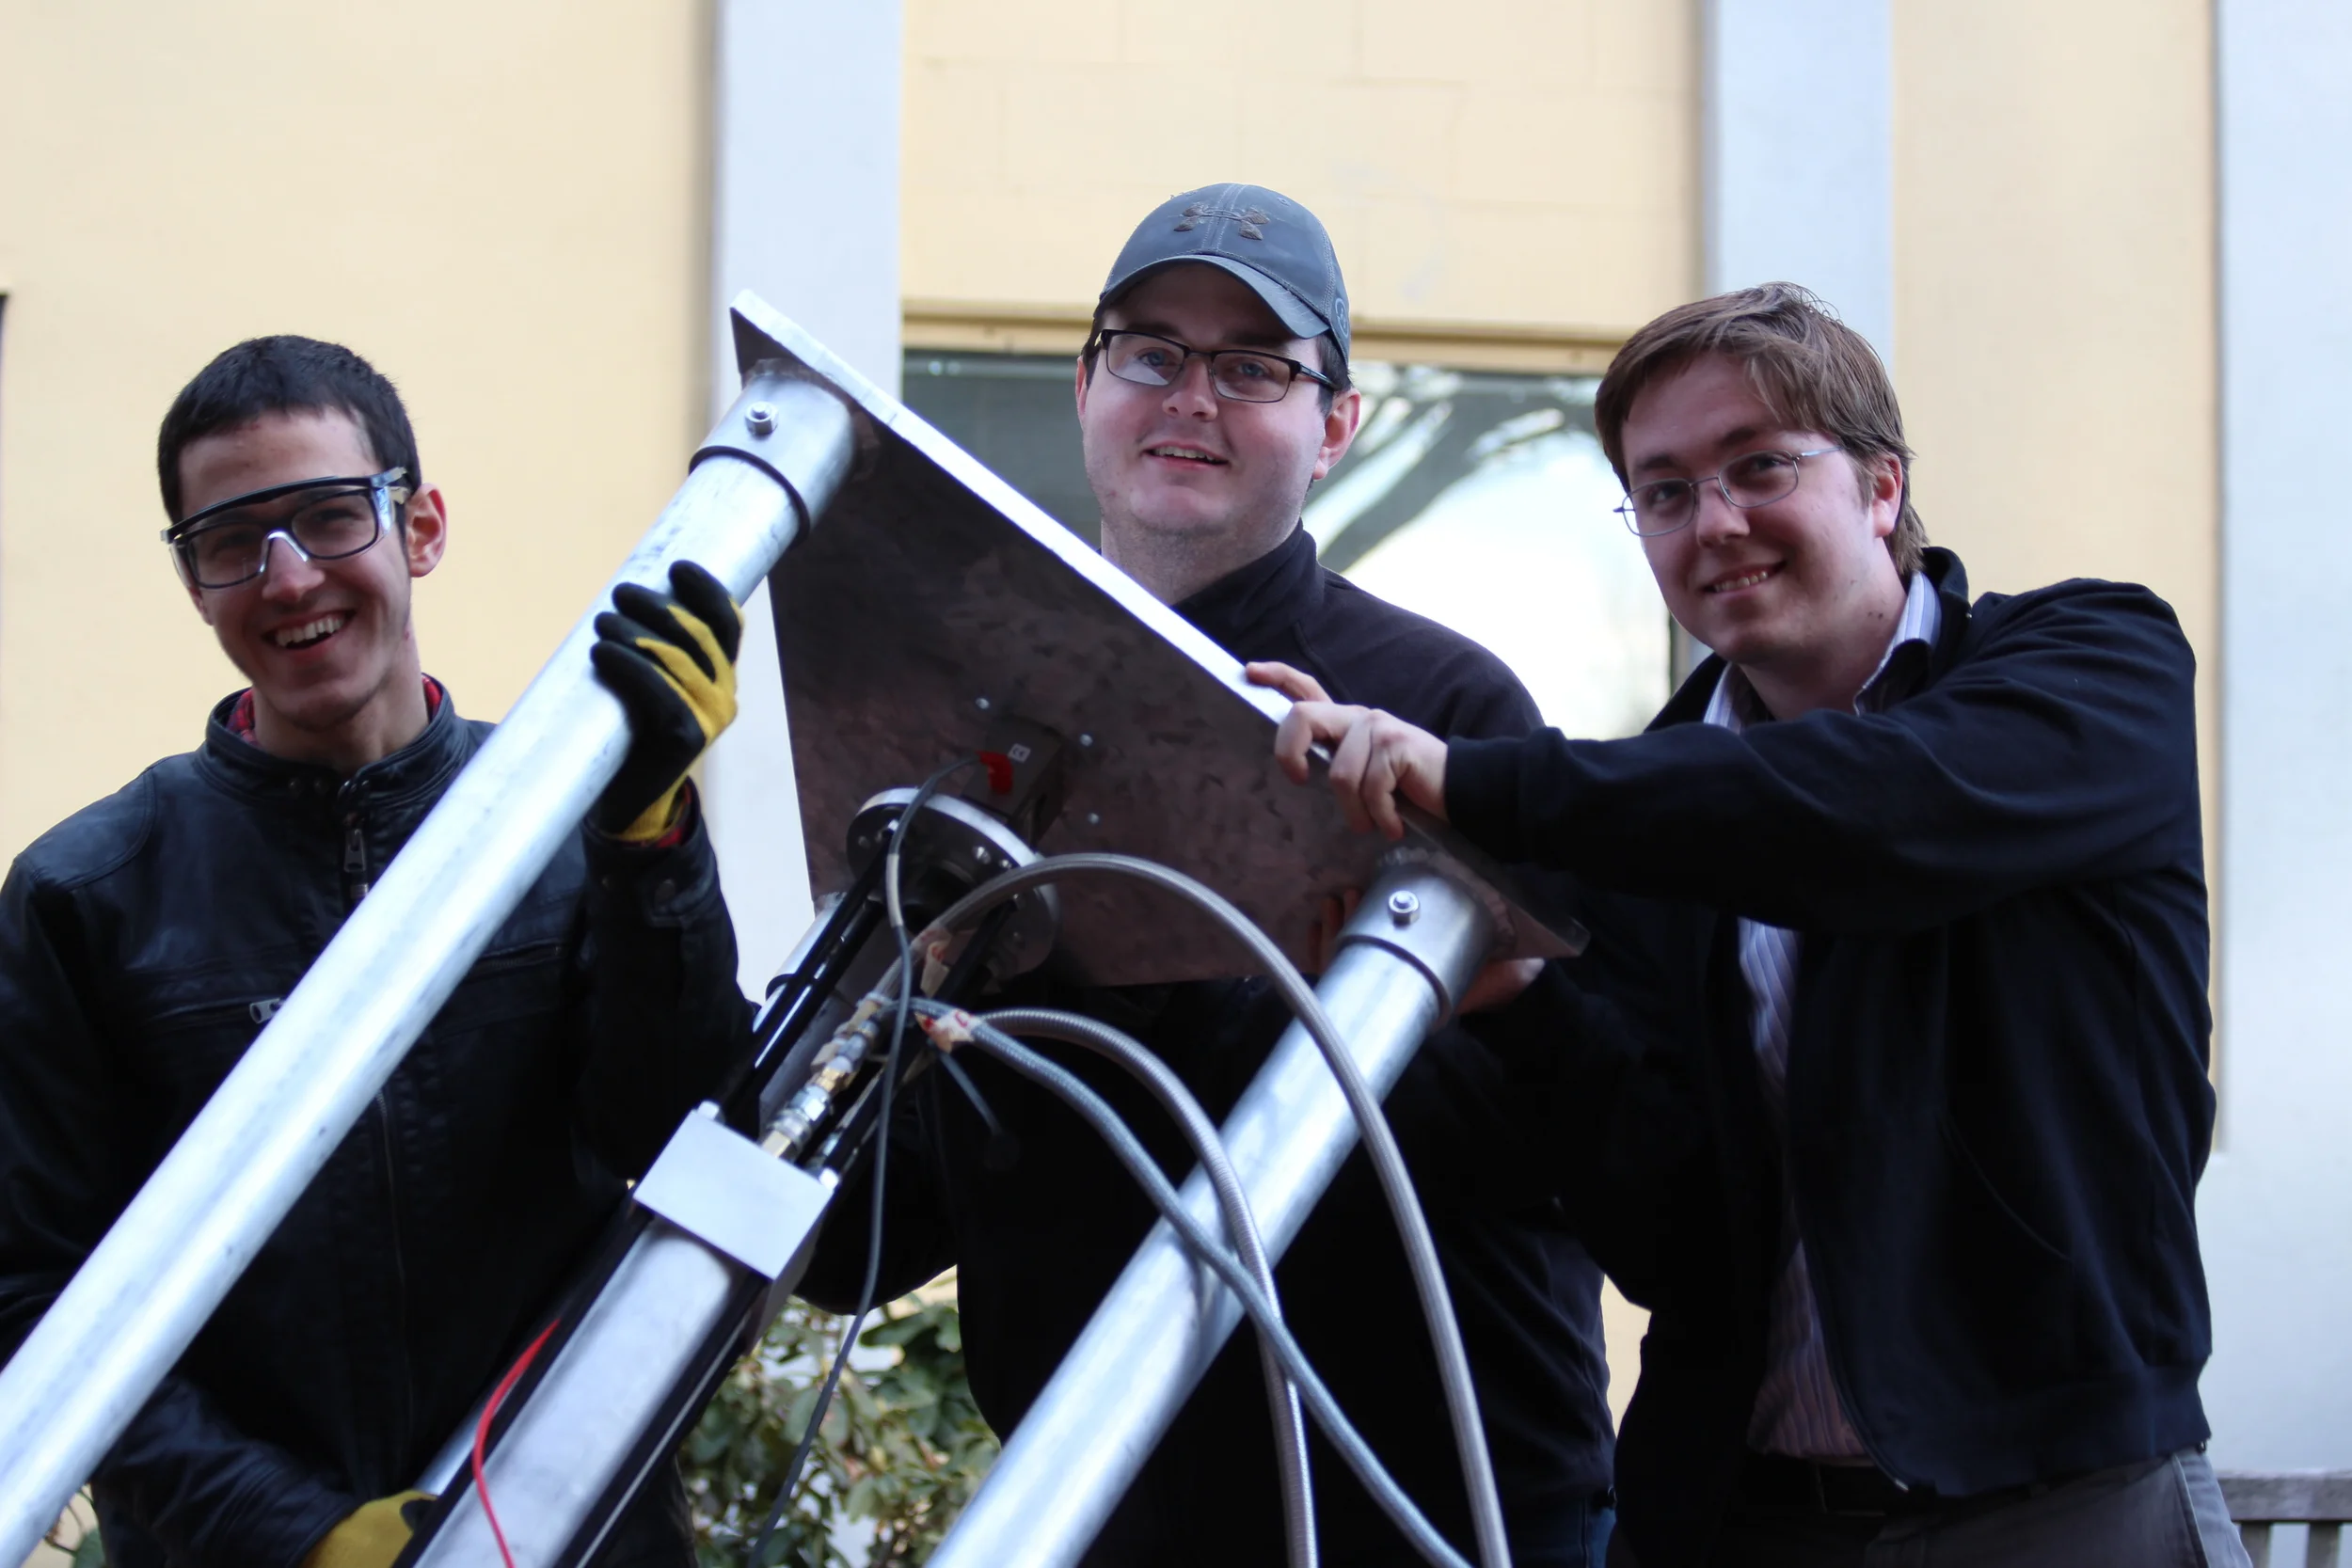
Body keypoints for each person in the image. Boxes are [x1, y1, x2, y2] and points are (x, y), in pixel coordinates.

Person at [1273, 283, 2245, 1568]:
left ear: (1883, 487)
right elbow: (1672, 1234)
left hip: (2064, 1502)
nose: (1713, 522)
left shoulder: (2091, 664)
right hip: (1735, 1514)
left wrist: (1479, 778)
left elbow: (1872, 812)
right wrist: (1521, 996)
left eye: (1759, 466)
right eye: (1663, 491)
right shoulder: (1652, 817)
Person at [798, 184, 1619, 1565]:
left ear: (1336, 423)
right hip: (1098, 1505)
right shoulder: (983, 724)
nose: (1193, 397)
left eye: (1254, 368)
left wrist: (1290, 861)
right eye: (1153, 352)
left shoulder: (1437, 709)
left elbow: (1562, 1143)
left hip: (1430, 1513)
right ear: (1086, 384)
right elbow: (872, 1229)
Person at [0, 336, 752, 1568]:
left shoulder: (571, 822)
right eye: (234, 539)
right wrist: (296, 1535)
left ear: (423, 527)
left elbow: (681, 1143)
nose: (289, 577)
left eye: (330, 517)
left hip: (557, 1539)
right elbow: (31, 1302)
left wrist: (652, 848)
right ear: (194, 580)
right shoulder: (88, 897)